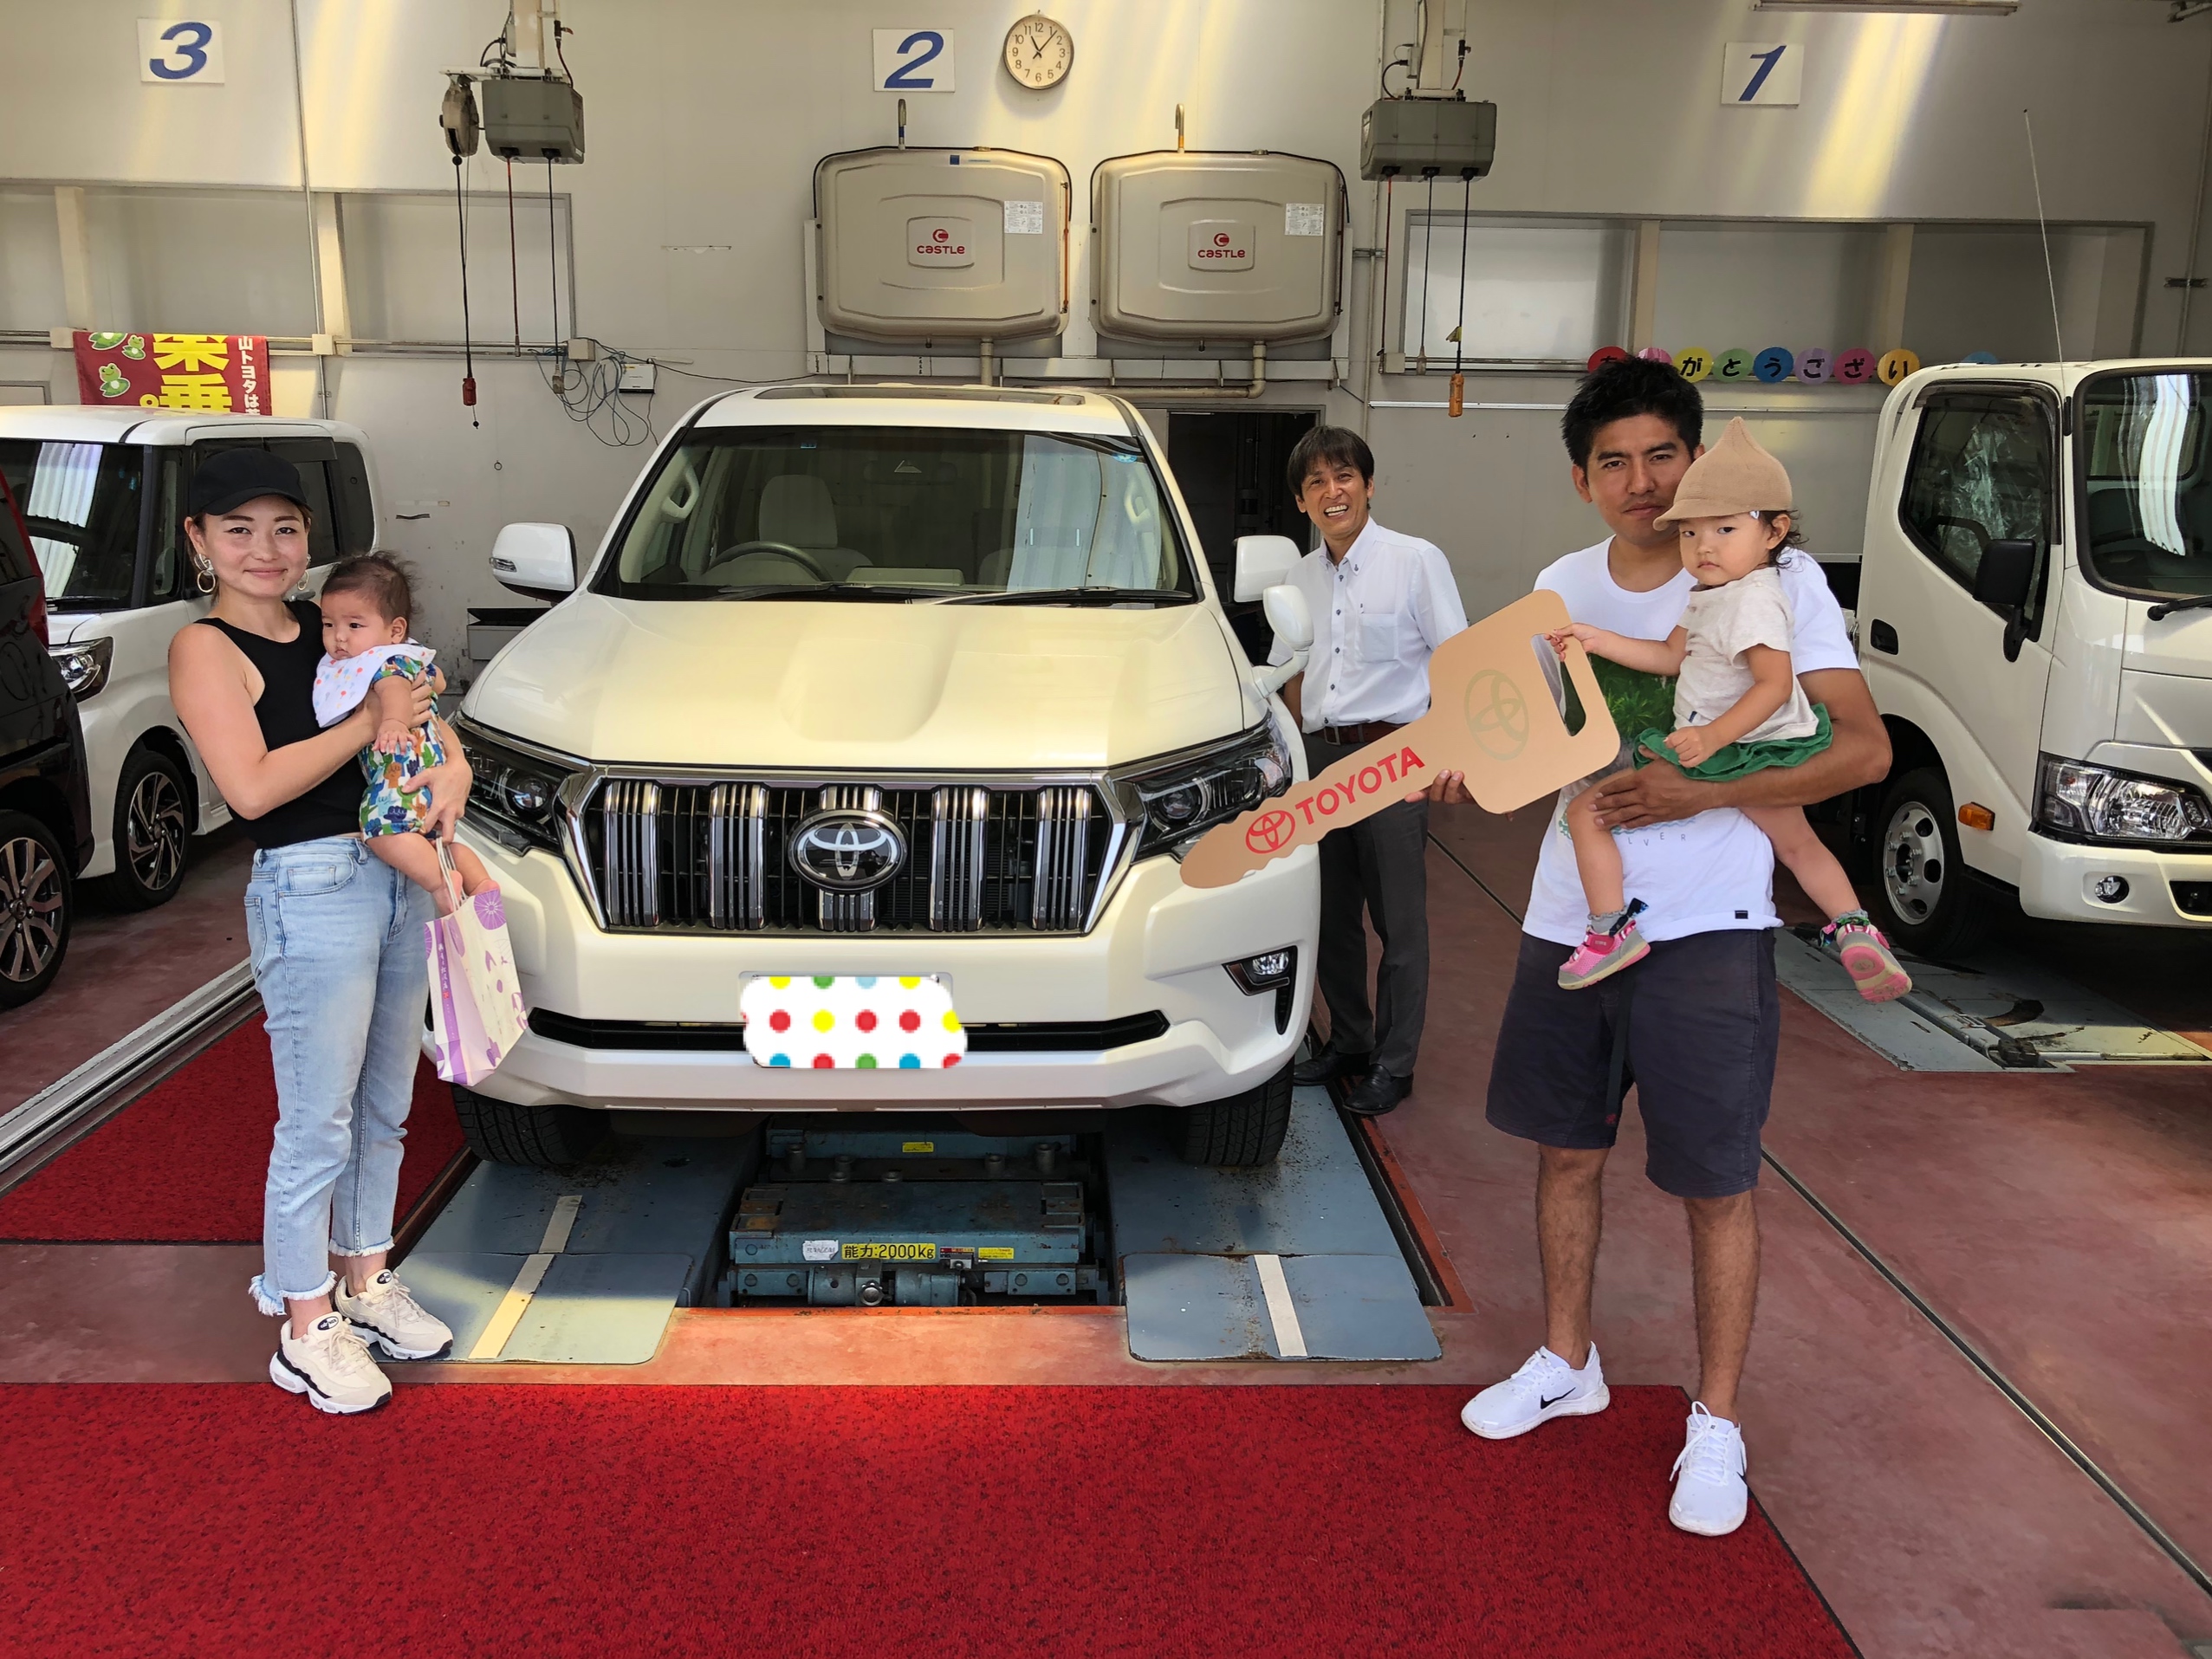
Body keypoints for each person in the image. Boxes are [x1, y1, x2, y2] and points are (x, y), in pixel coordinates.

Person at [1431, 358, 1891, 1536]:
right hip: (1570, 917)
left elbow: (1862, 749)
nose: (1641, 483)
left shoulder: (1775, 578)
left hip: (1710, 932)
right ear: (1580, 479)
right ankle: (1565, 1360)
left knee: (1714, 1184)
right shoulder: (1560, 586)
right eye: (1614, 463)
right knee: (1565, 1154)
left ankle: (1717, 1419)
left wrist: (1704, 790)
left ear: (1696, 465)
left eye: (1661, 457)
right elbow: (1537, 735)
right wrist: (1466, 762)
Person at [168, 448, 466, 1415]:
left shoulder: (335, 623)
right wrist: (370, 720)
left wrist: (454, 764)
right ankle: (304, 1322)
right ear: (198, 540)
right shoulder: (205, 647)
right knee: (316, 1122)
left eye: (284, 528)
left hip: (396, 875)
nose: (265, 548)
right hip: (310, 886)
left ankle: (366, 1276)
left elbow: (423, 713)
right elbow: (253, 788)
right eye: (238, 529)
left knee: (387, 1105)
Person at [1546, 419, 1910, 1001]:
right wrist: (1599, 639)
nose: (1704, 546)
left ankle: (1609, 929)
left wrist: (1713, 739)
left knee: (1590, 810)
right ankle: (1853, 928)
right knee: (1797, 844)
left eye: (1723, 528)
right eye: (1689, 532)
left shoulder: (1757, 600)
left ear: (1773, 531)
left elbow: (1774, 685)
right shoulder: (1712, 594)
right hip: (1738, 750)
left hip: (1733, 748)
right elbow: (1671, 656)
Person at [1271, 425, 1467, 1117]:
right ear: (1301, 501)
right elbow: (1289, 673)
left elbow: (1457, 660)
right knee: (1330, 915)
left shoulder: (1414, 561)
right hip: (1320, 758)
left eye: (1344, 476)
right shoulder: (1297, 578)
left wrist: (1446, 755)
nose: (1333, 491)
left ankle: (1394, 1062)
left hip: (1395, 755)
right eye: (1317, 482)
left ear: (1368, 484)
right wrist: (1290, 765)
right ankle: (1349, 1042)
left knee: (1398, 921)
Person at [313, 553, 496, 915]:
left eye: (354, 625)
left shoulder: (383, 661)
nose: (339, 638)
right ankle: (480, 884)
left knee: (381, 831)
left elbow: (394, 688)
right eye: (328, 624)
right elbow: (437, 681)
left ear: (395, 630)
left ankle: (440, 884)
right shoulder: (405, 654)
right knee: (436, 844)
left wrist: (394, 722)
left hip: (400, 775)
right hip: (429, 773)